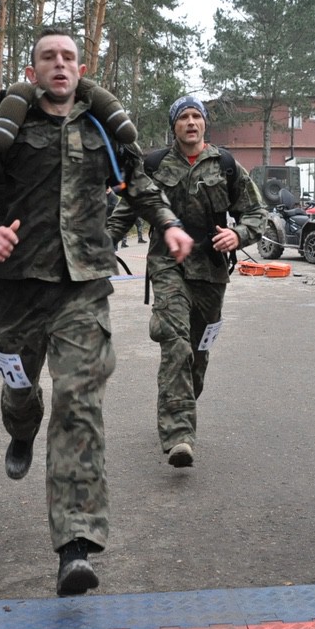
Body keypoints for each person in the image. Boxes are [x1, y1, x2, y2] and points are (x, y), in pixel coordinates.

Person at [0, 28, 193, 597]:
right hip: (18, 287)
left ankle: (75, 545)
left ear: (81, 69)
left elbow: (139, 184)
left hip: (83, 287)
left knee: (79, 404)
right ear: (32, 70)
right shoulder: (2, 127)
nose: (59, 64)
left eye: (68, 57)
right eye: (48, 57)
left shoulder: (102, 127)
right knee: (20, 390)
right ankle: (20, 426)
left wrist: (168, 223)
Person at [107, 94, 267, 468]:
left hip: (211, 271)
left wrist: (238, 235)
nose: (191, 122)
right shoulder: (152, 165)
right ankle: (179, 435)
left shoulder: (226, 165)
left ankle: (179, 402)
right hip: (168, 266)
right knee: (175, 342)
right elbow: (125, 213)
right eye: (184, 117)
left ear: (204, 123)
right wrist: (98, 249)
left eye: (197, 116)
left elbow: (257, 213)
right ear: (174, 125)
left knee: (197, 354)